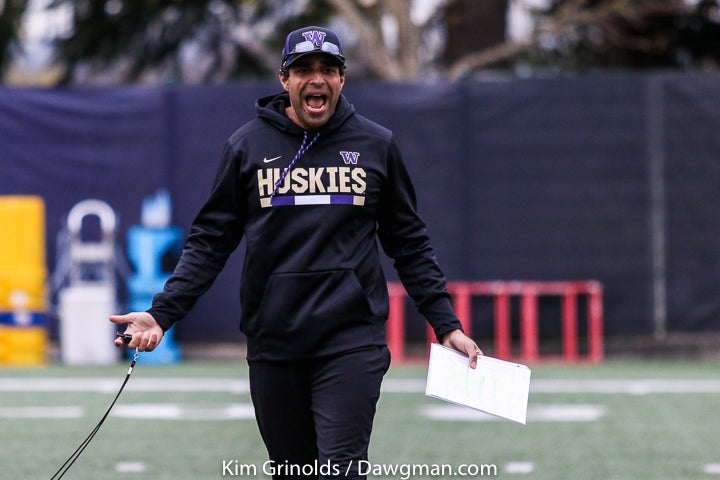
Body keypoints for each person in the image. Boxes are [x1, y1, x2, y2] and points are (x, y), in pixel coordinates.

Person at [111, 25, 482, 480]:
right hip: (274, 341)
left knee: (342, 470)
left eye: (328, 69)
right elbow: (210, 241)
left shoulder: (376, 145)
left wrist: (446, 325)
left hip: (352, 340)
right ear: (284, 79)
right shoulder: (246, 146)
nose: (317, 79)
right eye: (304, 69)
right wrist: (162, 313)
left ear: (342, 79)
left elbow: (409, 242)